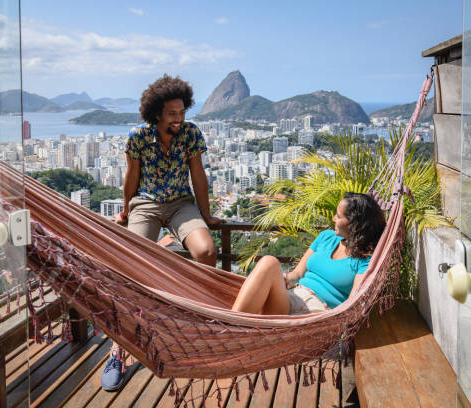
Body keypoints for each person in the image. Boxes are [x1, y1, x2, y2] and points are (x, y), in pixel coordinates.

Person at [102, 74, 224, 390]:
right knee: (132, 266)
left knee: (207, 252)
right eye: (172, 113)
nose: (179, 119)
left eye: (182, 112)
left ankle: (195, 319)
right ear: (156, 113)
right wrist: (127, 211)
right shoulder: (137, 137)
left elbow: (198, 175)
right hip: (146, 203)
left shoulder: (191, 134)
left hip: (182, 203)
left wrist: (207, 215)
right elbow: (131, 176)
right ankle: (118, 348)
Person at [232, 193, 385, 315]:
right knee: (268, 262)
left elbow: (353, 303)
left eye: (338, 216)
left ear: (354, 224)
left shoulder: (366, 260)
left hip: (314, 314)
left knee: (269, 262)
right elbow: (297, 274)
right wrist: (281, 279)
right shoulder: (326, 237)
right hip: (293, 297)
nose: (333, 218)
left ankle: (232, 329)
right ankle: (232, 326)